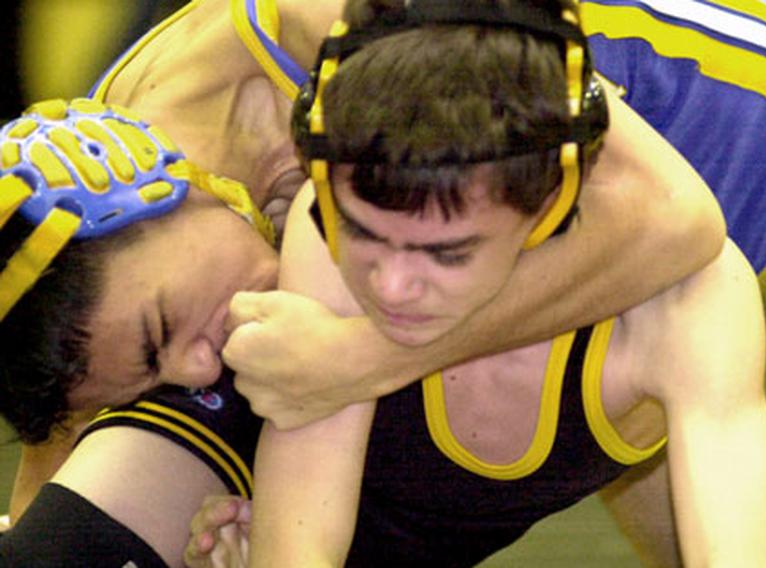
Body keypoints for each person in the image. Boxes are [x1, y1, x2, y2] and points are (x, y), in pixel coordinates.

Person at [3, 0, 724, 517]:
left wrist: (369, 357)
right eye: (152, 374)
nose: (197, 368)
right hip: (550, 203)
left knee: (676, 352)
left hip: (716, 106)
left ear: (156, 189)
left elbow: (678, 219)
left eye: (164, 332)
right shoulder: (96, 231)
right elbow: (59, 440)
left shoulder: (339, 24)